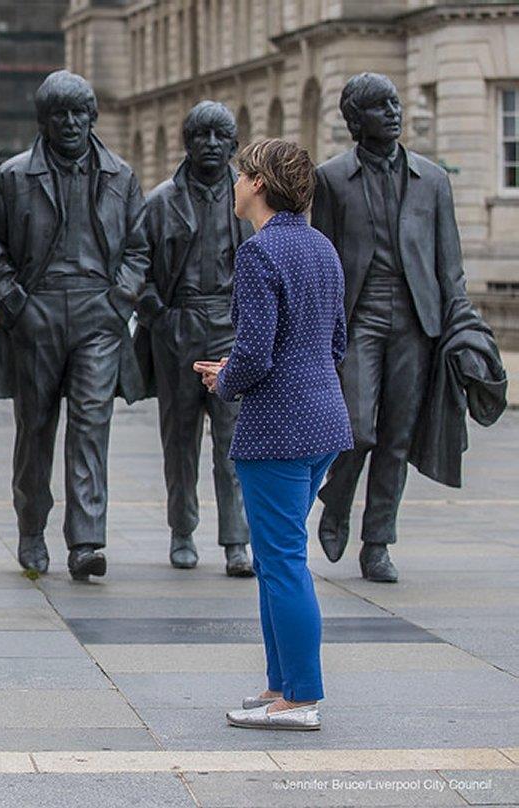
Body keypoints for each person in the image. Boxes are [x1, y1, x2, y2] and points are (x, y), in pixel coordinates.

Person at [196, 139, 353, 731]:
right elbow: (331, 342)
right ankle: (279, 684)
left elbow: (258, 355)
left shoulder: (261, 254)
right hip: (324, 422)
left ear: (259, 183)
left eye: (241, 175)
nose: (234, 184)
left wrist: (226, 378)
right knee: (275, 558)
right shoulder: (321, 247)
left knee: (283, 561)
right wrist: (236, 365)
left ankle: (301, 697)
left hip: (278, 430)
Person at [0, 70, 148, 580]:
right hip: (37, 311)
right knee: (36, 430)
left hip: (100, 313)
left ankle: (87, 541)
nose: (70, 122)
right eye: (59, 113)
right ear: (43, 120)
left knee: (92, 427)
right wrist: (14, 303)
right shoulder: (11, 177)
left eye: (79, 112)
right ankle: (31, 529)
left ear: (93, 116)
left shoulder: (122, 176)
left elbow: (139, 248)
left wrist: (121, 301)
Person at [312, 73, 471, 582]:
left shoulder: (433, 180)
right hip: (359, 316)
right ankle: (336, 499)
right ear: (356, 120)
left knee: (398, 437)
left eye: (395, 103)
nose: (395, 113)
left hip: (415, 320)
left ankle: (378, 541)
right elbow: (324, 259)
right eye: (381, 107)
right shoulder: (332, 178)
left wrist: (460, 325)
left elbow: (451, 266)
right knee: (357, 430)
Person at [137, 101, 254, 576]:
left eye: (219, 135)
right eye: (200, 135)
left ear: (233, 144)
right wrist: (159, 317)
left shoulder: (250, 199)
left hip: (232, 327)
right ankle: (182, 531)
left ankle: (236, 542)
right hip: (180, 327)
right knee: (180, 440)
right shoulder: (162, 201)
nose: (209, 144)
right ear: (187, 142)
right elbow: (137, 267)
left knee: (234, 443)